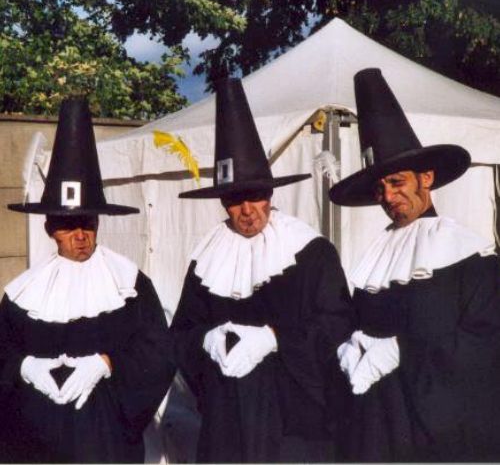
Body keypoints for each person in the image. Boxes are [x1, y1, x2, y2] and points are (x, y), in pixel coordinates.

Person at [170, 78, 354, 463]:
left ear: (270, 194)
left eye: (255, 197)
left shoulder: (310, 252)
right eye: (235, 200)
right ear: (223, 202)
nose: (247, 211)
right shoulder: (208, 258)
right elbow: (181, 335)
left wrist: (275, 338)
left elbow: (337, 327)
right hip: (225, 423)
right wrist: (206, 339)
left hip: (293, 424)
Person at [330, 68, 500, 461]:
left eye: (397, 182)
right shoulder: (377, 258)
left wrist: (403, 352)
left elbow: (486, 342)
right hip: (378, 427)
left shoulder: (471, 256)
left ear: (426, 178)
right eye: (380, 188)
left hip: (439, 434)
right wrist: (350, 346)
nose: (388, 197)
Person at [1, 97, 175, 463]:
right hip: (38, 443)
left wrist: (108, 363)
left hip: (106, 439)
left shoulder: (129, 285)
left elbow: (159, 353)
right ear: (51, 229)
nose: (80, 235)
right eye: (68, 225)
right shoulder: (22, 294)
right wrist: (24, 367)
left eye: (88, 223)